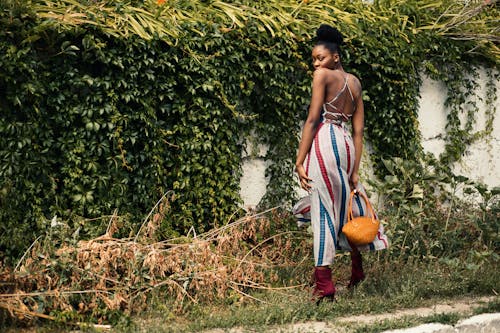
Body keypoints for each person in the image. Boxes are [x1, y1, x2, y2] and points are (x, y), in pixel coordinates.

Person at [293, 24, 389, 303]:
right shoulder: (356, 82)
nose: (315, 64)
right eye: (313, 59)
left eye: (319, 58)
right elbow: (359, 132)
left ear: (335, 57)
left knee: (323, 209)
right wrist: (355, 171)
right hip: (345, 144)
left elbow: (313, 119)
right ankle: (357, 269)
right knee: (343, 205)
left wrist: (299, 161)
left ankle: (324, 285)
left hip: (325, 141)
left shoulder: (322, 76)